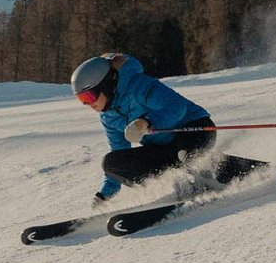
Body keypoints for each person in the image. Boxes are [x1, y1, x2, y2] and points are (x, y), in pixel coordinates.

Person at [70, 53, 262, 207]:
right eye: (81, 100)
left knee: (187, 156)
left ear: (106, 84)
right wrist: (105, 193)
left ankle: (247, 173)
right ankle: (185, 182)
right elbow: (120, 150)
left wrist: (147, 122)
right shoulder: (108, 117)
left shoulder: (138, 86)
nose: (88, 104)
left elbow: (176, 107)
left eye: (89, 97)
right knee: (112, 163)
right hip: (164, 149)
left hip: (193, 129)